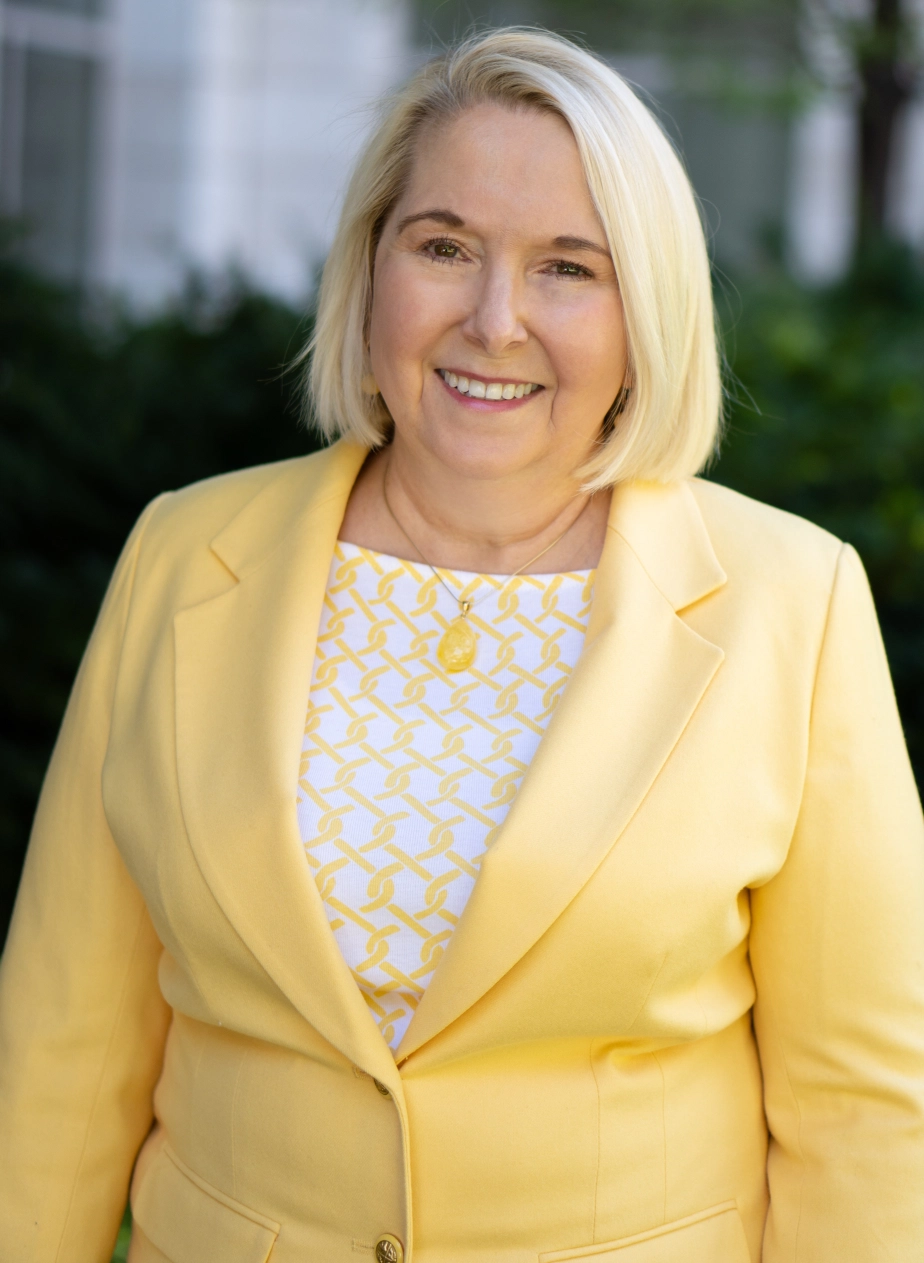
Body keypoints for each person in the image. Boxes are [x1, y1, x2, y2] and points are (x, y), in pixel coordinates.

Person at [1, 27, 922, 1263]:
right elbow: (63, 1042)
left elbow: (864, 1108)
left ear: (647, 310)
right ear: (370, 265)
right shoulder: (183, 552)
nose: (494, 321)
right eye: (444, 248)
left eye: (568, 268)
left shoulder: (791, 602)